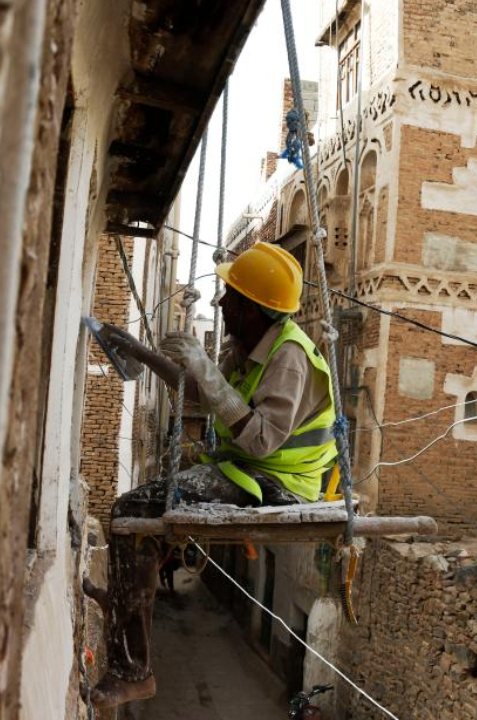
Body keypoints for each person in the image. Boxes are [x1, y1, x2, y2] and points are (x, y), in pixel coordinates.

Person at [84, 241, 338, 708]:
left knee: (135, 507)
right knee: (136, 511)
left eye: (232, 298)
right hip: (246, 471)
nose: (221, 304)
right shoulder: (248, 348)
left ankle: (133, 669)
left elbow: (261, 438)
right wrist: (142, 354)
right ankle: (126, 603)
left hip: (277, 485)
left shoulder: (289, 358)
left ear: (255, 309)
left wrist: (209, 372)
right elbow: (201, 395)